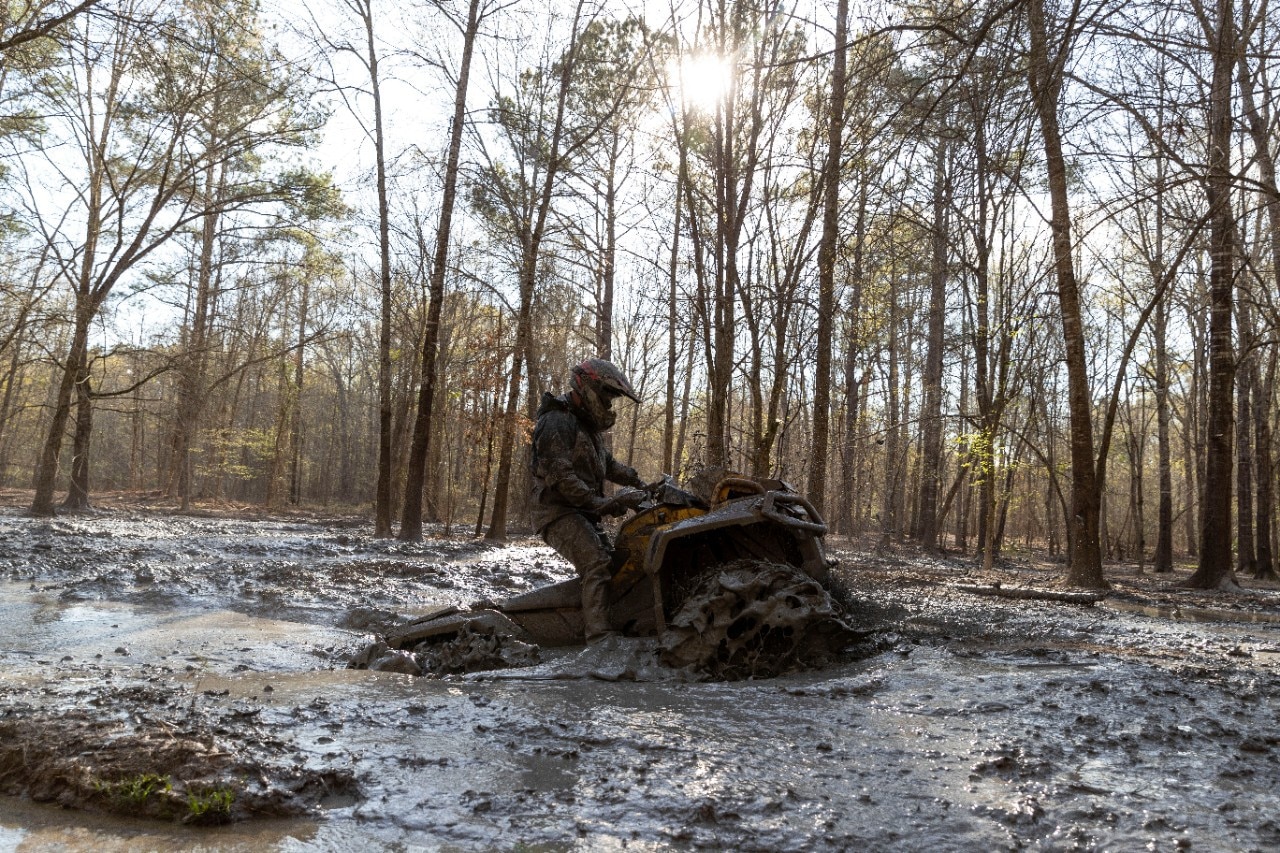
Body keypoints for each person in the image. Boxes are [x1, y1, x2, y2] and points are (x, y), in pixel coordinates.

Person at [531, 358, 647, 643]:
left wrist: (641, 483)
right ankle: (599, 639)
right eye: (607, 395)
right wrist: (600, 503)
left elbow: (609, 465)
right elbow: (562, 478)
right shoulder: (556, 421)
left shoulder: (588, 427)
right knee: (595, 562)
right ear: (588, 386)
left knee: (615, 563)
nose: (609, 404)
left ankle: (605, 621)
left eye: (613, 397)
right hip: (556, 512)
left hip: (582, 510)